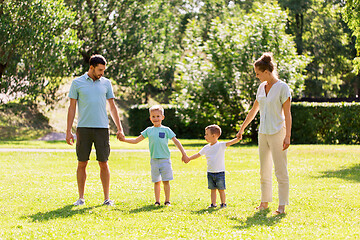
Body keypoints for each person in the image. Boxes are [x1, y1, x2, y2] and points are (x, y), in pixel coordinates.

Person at [236, 52, 292, 215]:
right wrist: (243, 128)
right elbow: (254, 110)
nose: (257, 77)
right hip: (263, 133)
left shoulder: (283, 87)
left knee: (280, 169)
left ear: (267, 71)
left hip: (278, 132)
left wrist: (287, 135)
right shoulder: (261, 87)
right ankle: (264, 202)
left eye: (258, 73)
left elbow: (287, 114)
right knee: (264, 169)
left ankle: (282, 205)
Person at [66, 54, 125, 206]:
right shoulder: (77, 83)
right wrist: (68, 131)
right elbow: (72, 108)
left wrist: (120, 128)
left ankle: (106, 198)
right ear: (91, 67)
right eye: (100, 70)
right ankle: (81, 198)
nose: (102, 73)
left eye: (104, 70)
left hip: (102, 129)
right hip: (83, 129)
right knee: (82, 163)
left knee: (104, 163)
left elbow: (112, 106)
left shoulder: (106, 83)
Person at [120, 105, 187, 206]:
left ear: (162, 117)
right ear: (150, 118)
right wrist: (124, 139)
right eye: (153, 117)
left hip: (165, 160)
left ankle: (167, 200)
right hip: (154, 160)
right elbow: (136, 140)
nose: (156, 119)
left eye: (158, 116)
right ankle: (157, 201)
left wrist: (184, 154)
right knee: (156, 181)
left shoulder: (166, 130)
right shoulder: (148, 130)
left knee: (166, 181)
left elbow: (176, 142)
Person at [183, 124, 240, 208]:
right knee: (212, 189)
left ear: (213, 136)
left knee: (221, 189)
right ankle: (213, 204)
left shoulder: (220, 146)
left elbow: (231, 142)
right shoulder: (206, 147)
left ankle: (223, 203)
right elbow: (198, 154)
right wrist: (189, 158)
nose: (205, 136)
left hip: (220, 172)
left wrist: (238, 138)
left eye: (206, 134)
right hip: (210, 172)